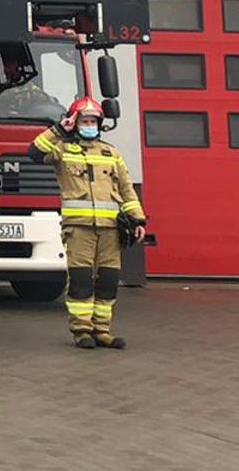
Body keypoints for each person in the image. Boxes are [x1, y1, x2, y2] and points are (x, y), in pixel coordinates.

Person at [28, 97, 149, 350]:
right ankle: (82, 330)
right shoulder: (61, 150)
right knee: (81, 279)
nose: (89, 124)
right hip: (79, 228)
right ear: (76, 123)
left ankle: (102, 330)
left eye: (93, 120)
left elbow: (126, 190)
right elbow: (34, 152)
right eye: (84, 120)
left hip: (110, 229)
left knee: (107, 279)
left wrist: (138, 218)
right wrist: (61, 128)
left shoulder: (111, 153)